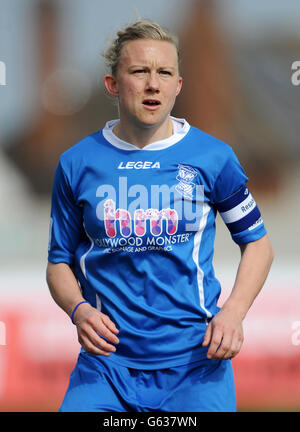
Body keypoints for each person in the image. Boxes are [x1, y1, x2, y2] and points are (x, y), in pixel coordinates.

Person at [46, 19, 274, 412]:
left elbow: (258, 244)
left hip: (196, 366)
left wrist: (233, 315)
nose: (153, 83)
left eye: (164, 72)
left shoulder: (213, 157)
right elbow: (58, 263)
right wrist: (78, 310)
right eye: (139, 71)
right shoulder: (76, 163)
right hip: (106, 368)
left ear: (177, 85)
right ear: (113, 84)